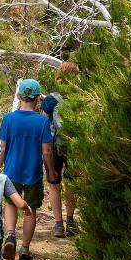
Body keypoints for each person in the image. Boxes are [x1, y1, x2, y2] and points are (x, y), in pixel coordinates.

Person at [0, 78, 56, 260]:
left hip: (12, 173)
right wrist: (51, 172)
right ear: (38, 98)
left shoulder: (8, 119)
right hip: (33, 174)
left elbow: (2, 147)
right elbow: (46, 151)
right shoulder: (42, 122)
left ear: (18, 96)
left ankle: (11, 235)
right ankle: (24, 249)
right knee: (30, 210)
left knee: (11, 204)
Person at [42, 61, 80, 237]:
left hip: (53, 146)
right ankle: (71, 220)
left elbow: (44, 124)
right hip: (75, 146)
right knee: (72, 183)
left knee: (54, 184)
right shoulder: (81, 96)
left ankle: (58, 224)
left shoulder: (50, 100)